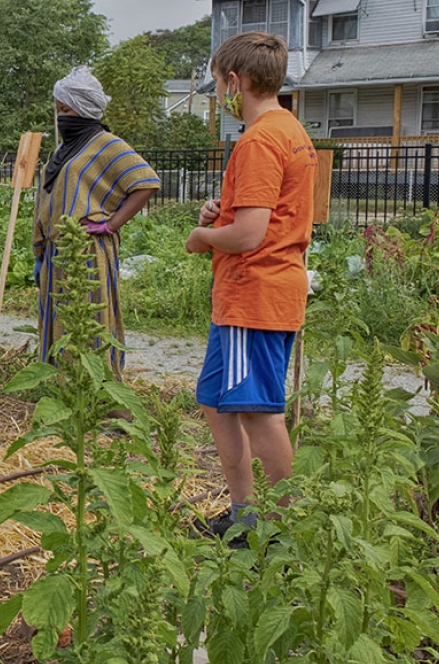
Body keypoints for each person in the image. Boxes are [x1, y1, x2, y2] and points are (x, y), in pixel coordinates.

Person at [185, 31, 318, 540]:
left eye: (219, 84)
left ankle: (291, 532)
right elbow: (263, 213)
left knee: (257, 411)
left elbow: (249, 234)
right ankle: (246, 517)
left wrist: (202, 236)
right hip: (251, 295)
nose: (220, 93)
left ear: (236, 82)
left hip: (253, 295)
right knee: (217, 402)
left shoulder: (260, 139)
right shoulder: (289, 129)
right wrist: (219, 213)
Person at [33, 65, 160, 379]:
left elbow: (146, 182)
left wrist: (112, 223)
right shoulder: (63, 150)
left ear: (84, 110)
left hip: (88, 249)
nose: (61, 117)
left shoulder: (107, 144)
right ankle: (62, 384)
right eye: (58, 109)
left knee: (91, 319)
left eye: (67, 109)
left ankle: (100, 389)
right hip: (56, 250)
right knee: (58, 319)